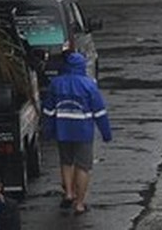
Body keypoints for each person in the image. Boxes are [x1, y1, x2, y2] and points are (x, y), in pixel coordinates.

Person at [42, 51, 112, 216]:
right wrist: (106, 133)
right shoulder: (89, 85)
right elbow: (99, 112)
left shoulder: (56, 84)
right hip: (83, 132)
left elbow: (48, 111)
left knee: (66, 162)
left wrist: (47, 131)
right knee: (83, 167)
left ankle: (68, 193)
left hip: (62, 130)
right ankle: (79, 203)